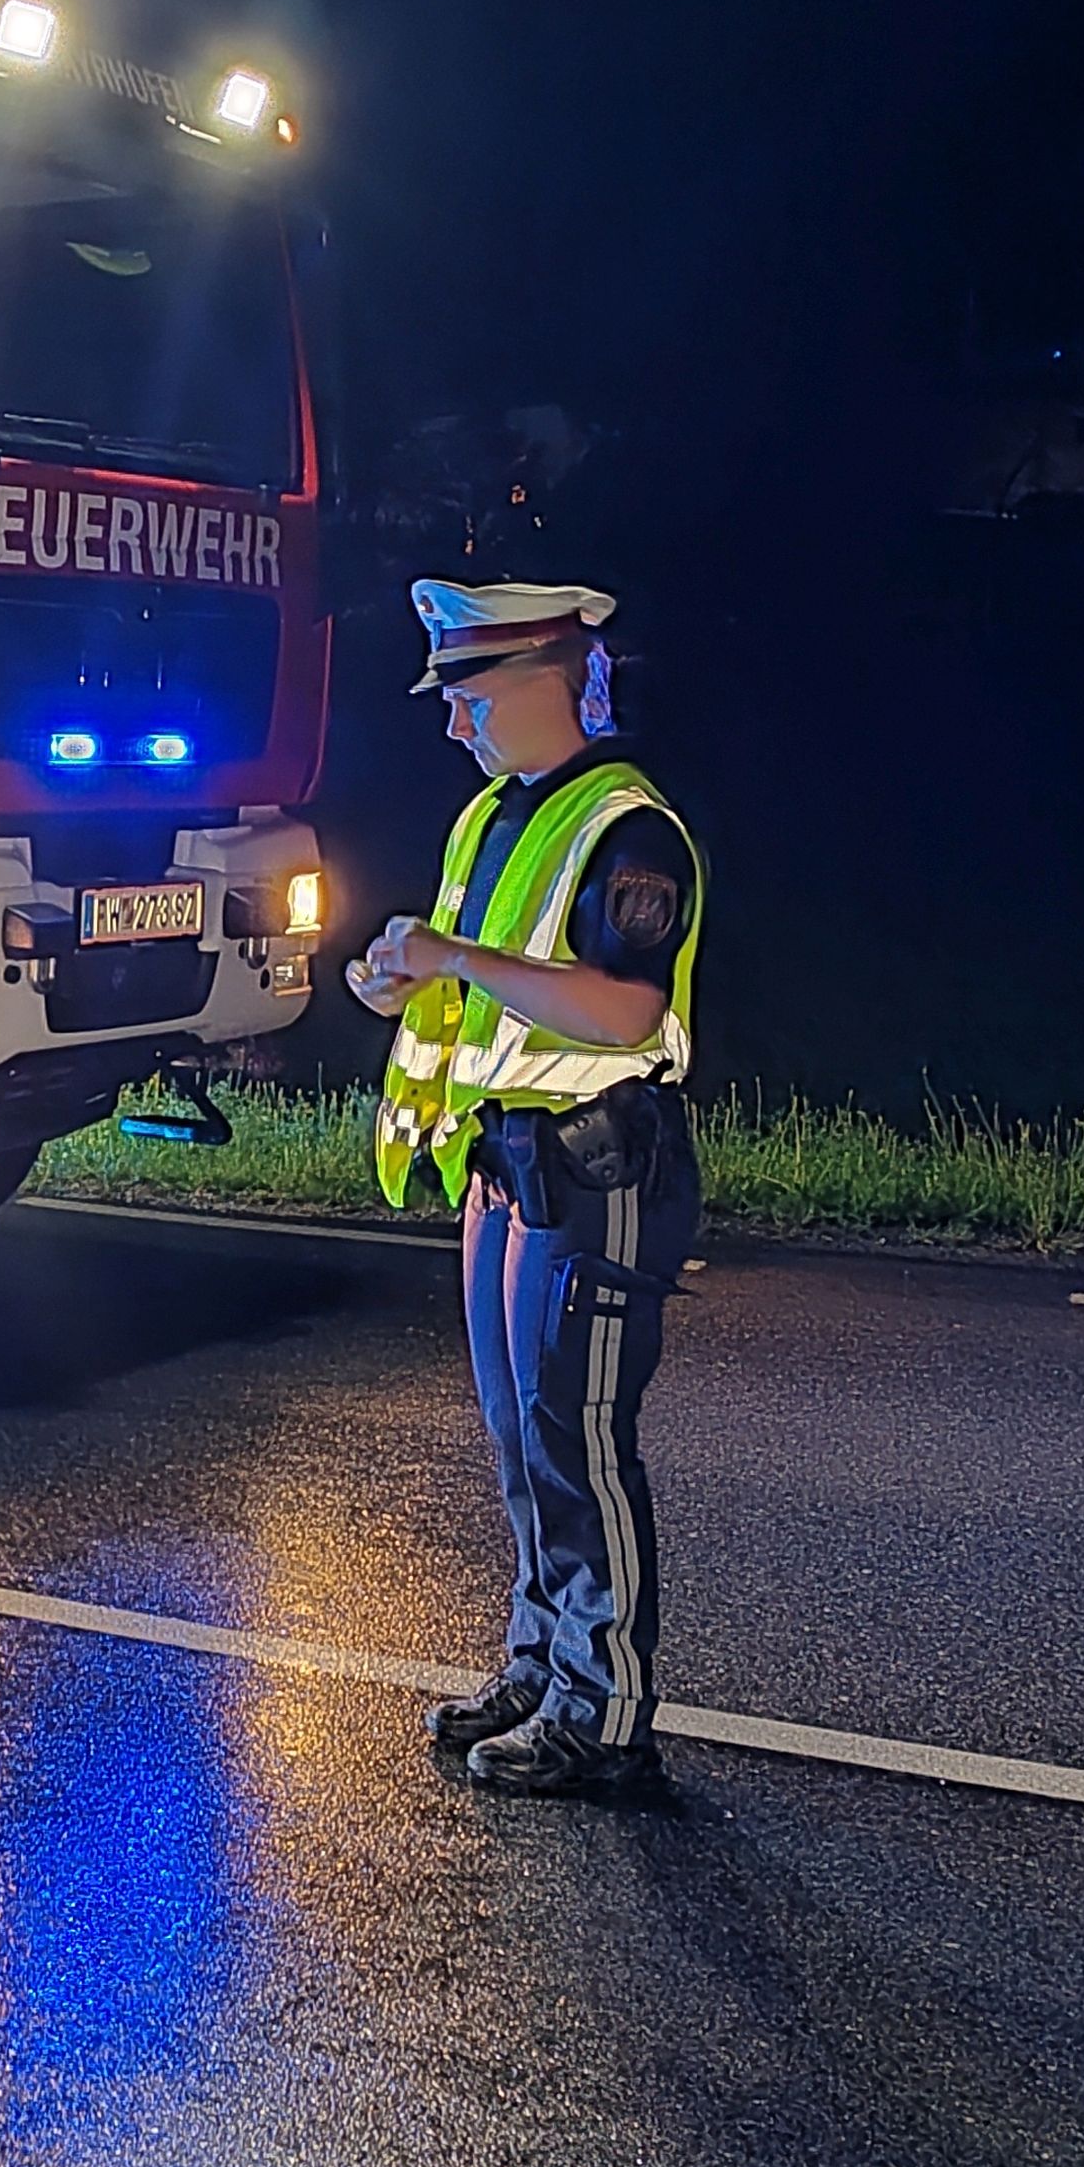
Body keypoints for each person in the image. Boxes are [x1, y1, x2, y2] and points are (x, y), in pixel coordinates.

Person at [347, 578, 704, 1798]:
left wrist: (454, 959)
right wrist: (403, 980)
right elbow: (486, 990)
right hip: (503, 1169)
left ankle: (602, 1719)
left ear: (549, 681)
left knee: (579, 1443)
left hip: (598, 1168)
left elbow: (624, 1008)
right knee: (519, 1439)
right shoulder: (491, 817)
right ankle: (540, 1664)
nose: (455, 726)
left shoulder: (630, 831)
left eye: (470, 696)